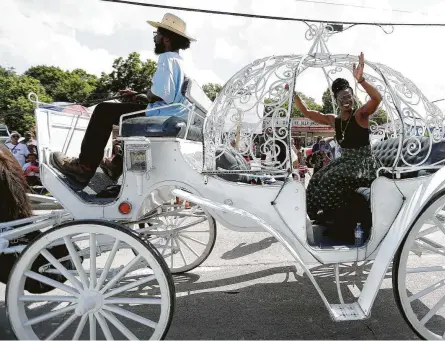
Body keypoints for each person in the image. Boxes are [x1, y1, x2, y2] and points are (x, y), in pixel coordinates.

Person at [50, 13, 195, 188]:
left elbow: (161, 93)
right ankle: (116, 165)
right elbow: (168, 95)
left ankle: (84, 167)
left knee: (103, 111)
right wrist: (138, 96)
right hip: (174, 113)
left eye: (157, 34)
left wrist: (146, 95)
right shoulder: (181, 62)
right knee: (125, 112)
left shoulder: (167, 59)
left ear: (166, 39)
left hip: (164, 114)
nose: (155, 38)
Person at [291, 52, 382, 221]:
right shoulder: (334, 120)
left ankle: (330, 214)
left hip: (362, 165)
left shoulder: (361, 115)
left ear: (353, 96)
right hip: (346, 162)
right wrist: (293, 94)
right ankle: (309, 215)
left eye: (349, 96)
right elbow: (307, 112)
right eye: (342, 98)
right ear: (336, 100)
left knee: (329, 179)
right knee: (317, 177)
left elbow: (377, 98)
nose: (347, 100)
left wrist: (361, 80)